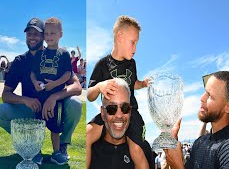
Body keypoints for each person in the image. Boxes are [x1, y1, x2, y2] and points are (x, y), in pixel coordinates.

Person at [0, 18, 82, 164]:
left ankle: (61, 146)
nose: (32, 37)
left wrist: (54, 97)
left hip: (53, 106)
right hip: (31, 108)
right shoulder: (19, 61)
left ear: (43, 36)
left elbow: (77, 86)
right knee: (1, 110)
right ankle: (29, 145)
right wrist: (25, 99)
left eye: (36, 34)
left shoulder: (57, 54)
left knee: (75, 103)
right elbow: (5, 95)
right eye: (29, 34)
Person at [86, 15, 152, 169]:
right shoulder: (102, 64)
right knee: (88, 134)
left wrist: (142, 84)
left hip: (131, 112)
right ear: (120, 37)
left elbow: (132, 83)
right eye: (133, 42)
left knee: (136, 149)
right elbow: (89, 95)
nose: (135, 48)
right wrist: (99, 87)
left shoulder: (132, 63)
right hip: (109, 113)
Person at [164, 71, 229, 169]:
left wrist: (177, 165)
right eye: (205, 92)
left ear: (228, 107)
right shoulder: (199, 143)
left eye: (210, 95)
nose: (201, 98)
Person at [30, 17, 72, 165]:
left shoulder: (64, 54)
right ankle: (36, 152)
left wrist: (55, 84)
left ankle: (56, 152)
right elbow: (33, 73)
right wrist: (35, 83)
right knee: (38, 127)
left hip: (56, 100)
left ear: (61, 34)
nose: (49, 37)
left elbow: (68, 74)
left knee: (55, 128)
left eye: (52, 33)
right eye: (46, 34)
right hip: (40, 97)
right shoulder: (40, 53)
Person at [87, 78, 134, 169]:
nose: (119, 115)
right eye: (112, 108)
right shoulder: (89, 148)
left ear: (130, 111)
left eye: (125, 107)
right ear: (102, 113)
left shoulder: (142, 151)